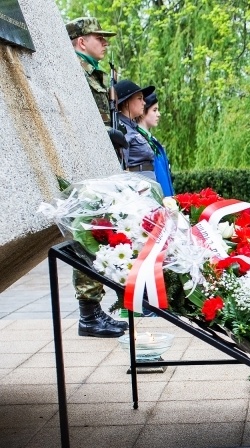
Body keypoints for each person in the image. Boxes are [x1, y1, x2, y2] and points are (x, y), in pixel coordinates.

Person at [66, 16, 128, 337]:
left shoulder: (97, 74)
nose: (104, 43)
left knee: (100, 232)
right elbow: (71, 118)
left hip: (99, 166)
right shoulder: (73, 72)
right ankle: (88, 316)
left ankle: (98, 308)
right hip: (84, 167)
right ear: (80, 41)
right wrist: (104, 132)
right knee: (87, 237)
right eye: (98, 38)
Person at [136, 91, 175, 196]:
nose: (158, 114)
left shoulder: (150, 139)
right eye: (154, 110)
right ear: (143, 112)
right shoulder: (139, 141)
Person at [114, 80, 156, 174]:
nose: (144, 103)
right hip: (138, 184)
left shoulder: (133, 128)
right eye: (139, 98)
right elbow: (122, 168)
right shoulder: (122, 130)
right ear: (126, 102)